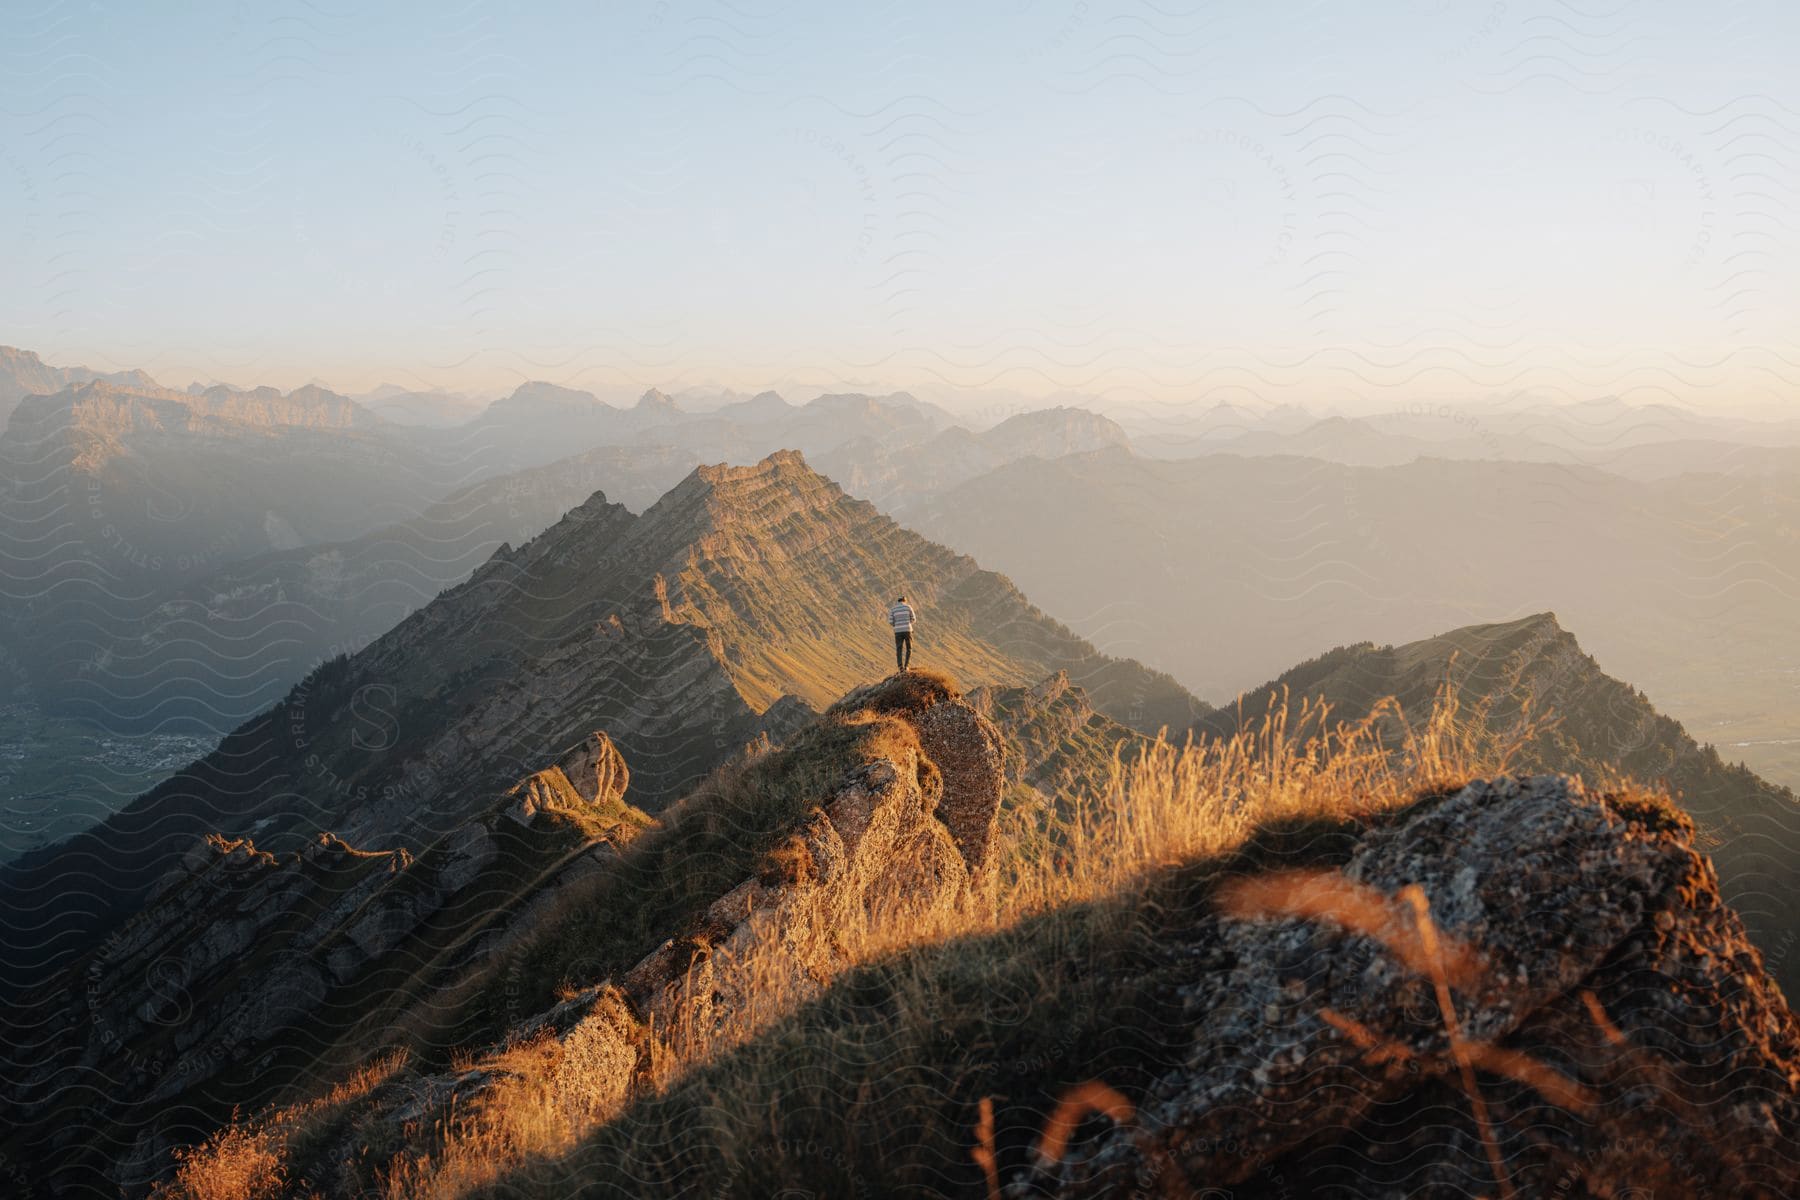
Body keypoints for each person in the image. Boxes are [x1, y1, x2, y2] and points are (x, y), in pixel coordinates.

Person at [888, 594, 916, 671]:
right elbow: (913, 619)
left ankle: (900, 667)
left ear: (898, 601)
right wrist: (907, 623)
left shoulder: (893, 609)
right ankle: (906, 666)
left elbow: (890, 621)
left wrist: (897, 625)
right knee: (909, 648)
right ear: (905, 601)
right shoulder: (908, 607)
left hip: (898, 631)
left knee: (899, 648)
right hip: (907, 630)